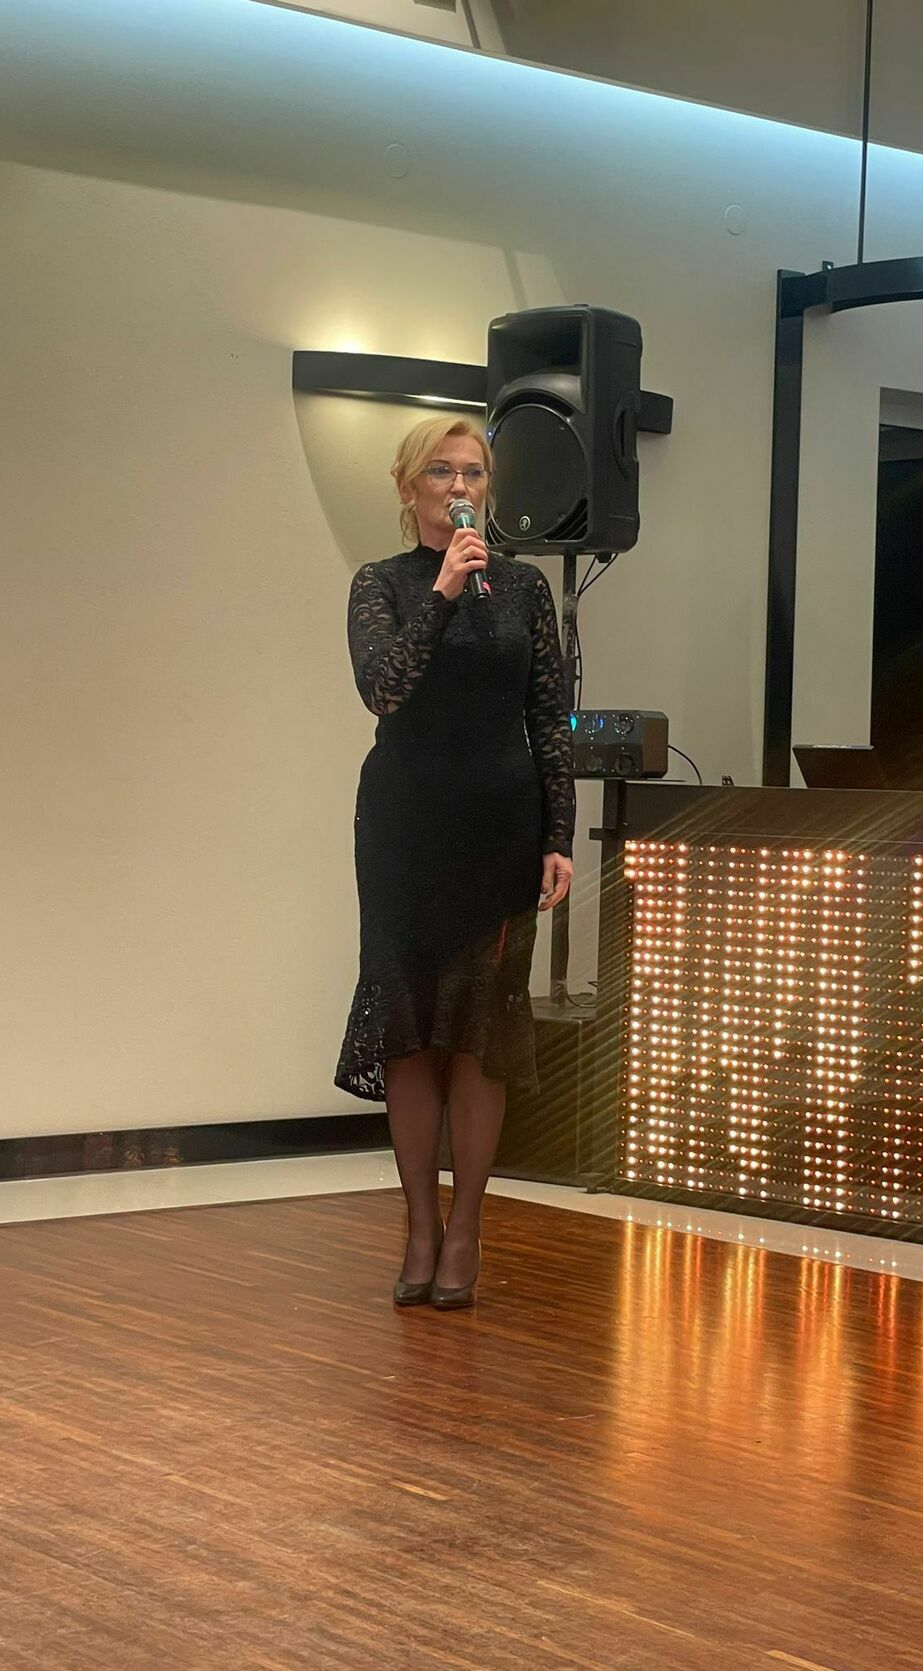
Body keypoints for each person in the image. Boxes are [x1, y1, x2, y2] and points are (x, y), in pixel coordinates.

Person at [334, 416, 575, 1309]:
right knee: (409, 1030)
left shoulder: (525, 589)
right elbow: (384, 689)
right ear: (410, 489)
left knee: (481, 1033)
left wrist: (559, 834)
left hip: (500, 827)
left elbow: (549, 718)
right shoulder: (382, 584)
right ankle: (419, 1226)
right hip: (405, 828)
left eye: (473, 472)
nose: (460, 486)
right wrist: (441, 591)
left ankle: (467, 1226)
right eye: (441, 471)